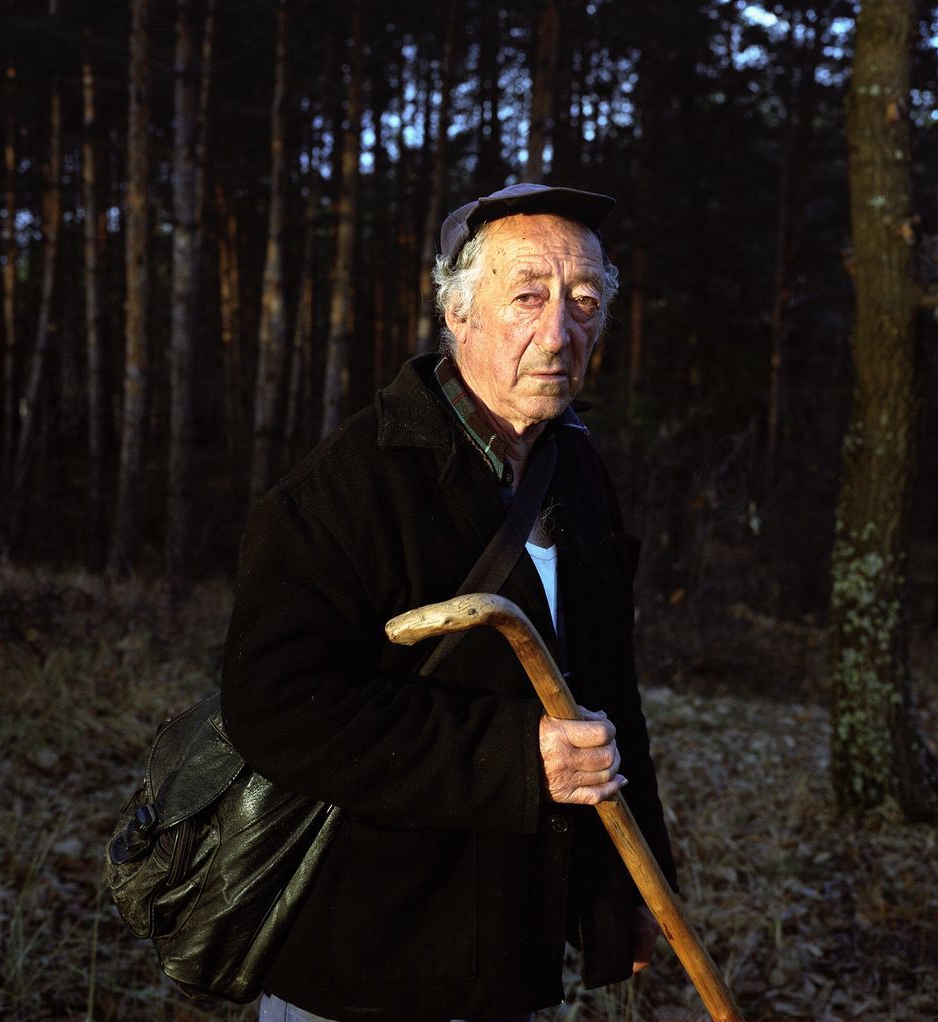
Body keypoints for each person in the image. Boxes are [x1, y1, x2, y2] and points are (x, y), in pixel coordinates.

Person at [221, 183, 676, 1022]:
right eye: (529, 297)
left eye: (583, 302)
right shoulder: (347, 486)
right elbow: (273, 705)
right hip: (365, 952)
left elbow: (611, 692)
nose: (559, 332)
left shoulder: (577, 471)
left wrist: (630, 888)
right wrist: (517, 756)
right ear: (458, 313)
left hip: (509, 949)